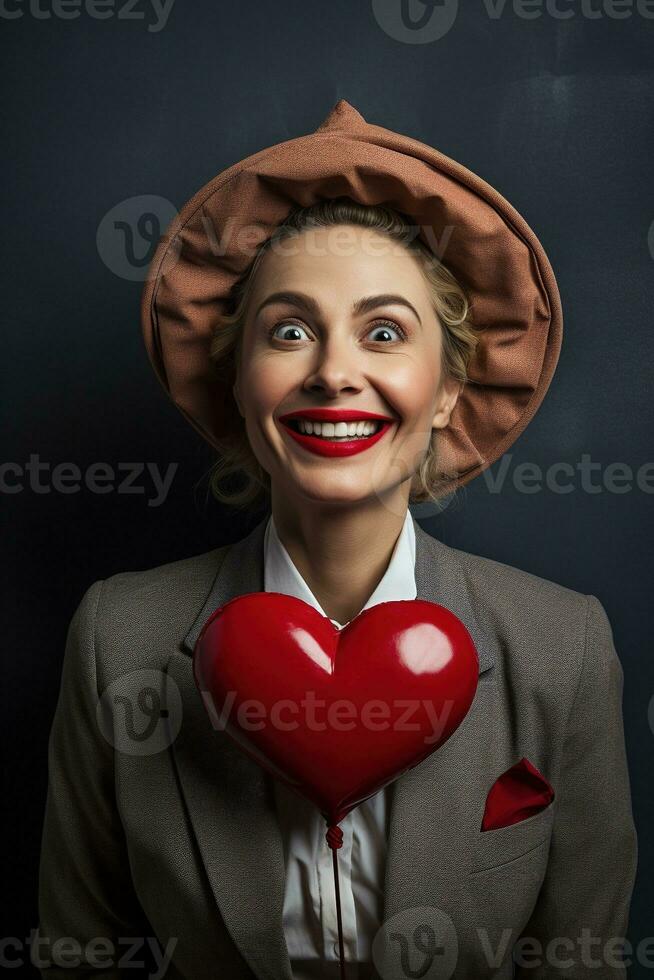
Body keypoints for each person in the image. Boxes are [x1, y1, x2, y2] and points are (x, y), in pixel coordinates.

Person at [36, 100, 637, 980]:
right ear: (238, 382)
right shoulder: (114, 637)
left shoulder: (563, 649)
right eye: (289, 331)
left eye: (385, 332)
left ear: (445, 392)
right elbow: (75, 957)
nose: (333, 371)